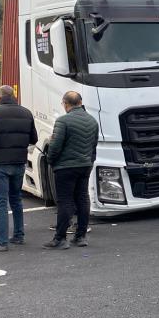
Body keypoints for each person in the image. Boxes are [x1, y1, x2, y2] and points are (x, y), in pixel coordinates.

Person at [0, 85, 38, 251]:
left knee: (1, 202)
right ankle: (19, 235)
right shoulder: (26, 112)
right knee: (16, 199)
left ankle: (2, 242)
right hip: (19, 161)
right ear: (13, 95)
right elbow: (33, 138)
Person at [45, 91, 98, 249]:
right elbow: (94, 145)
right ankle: (80, 237)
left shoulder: (63, 121)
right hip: (85, 165)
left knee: (65, 201)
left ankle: (60, 239)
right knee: (83, 199)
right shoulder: (92, 120)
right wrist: (89, 161)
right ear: (80, 103)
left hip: (65, 167)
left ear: (65, 104)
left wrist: (50, 160)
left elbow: (55, 146)